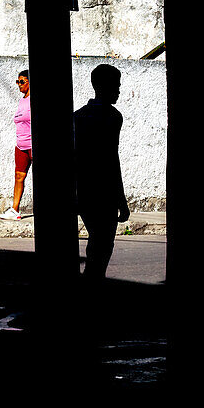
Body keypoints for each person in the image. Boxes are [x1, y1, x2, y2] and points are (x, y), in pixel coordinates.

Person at [74, 63, 130, 283]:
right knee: (102, 246)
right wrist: (121, 200)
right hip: (104, 190)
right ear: (103, 86)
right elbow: (111, 160)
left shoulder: (78, 116)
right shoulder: (113, 117)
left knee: (96, 244)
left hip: (84, 188)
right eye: (115, 86)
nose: (118, 91)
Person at [0, 69, 31, 220]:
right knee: (19, 175)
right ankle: (15, 210)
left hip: (33, 144)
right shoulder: (22, 100)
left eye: (22, 81)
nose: (19, 85)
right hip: (21, 144)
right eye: (17, 82)